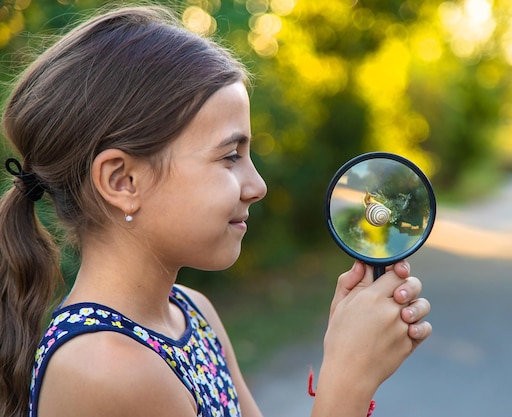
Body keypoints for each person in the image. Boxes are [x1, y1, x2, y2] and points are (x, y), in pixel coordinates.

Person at [0, 6, 432, 417]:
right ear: (122, 181)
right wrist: (347, 382)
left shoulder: (192, 312)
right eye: (230, 156)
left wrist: (348, 352)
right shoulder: (105, 367)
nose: (258, 186)